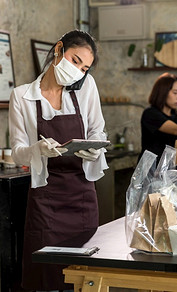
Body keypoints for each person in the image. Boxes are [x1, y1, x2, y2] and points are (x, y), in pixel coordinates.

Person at [9, 29, 109, 292]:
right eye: (75, 61)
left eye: (85, 67)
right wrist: (37, 150)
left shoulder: (86, 88)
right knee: (46, 276)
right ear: (58, 50)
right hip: (46, 202)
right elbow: (17, 151)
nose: (79, 71)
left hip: (82, 197)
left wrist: (95, 148)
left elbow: (98, 129)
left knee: (84, 276)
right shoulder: (22, 97)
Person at [139, 72, 177, 163]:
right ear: (162, 92)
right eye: (175, 93)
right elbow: (175, 129)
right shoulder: (150, 113)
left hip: (170, 170)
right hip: (150, 171)